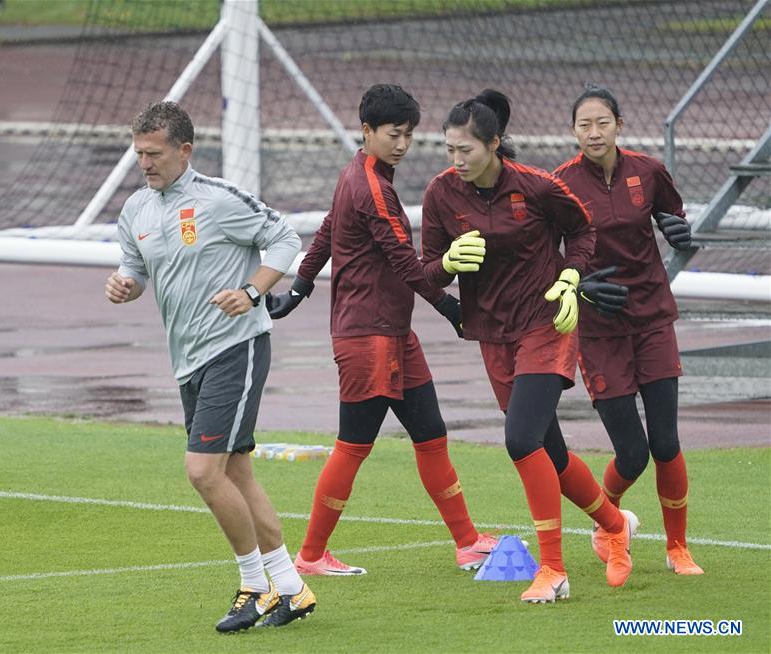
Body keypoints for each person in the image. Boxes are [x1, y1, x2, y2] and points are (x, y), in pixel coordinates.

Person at [268, 83, 497, 576]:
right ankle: (310, 555)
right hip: (369, 337)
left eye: (409, 135)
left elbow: (328, 231)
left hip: (393, 333)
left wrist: (299, 289)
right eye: (394, 134)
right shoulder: (371, 187)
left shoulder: (357, 174)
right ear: (367, 130)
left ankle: (467, 542)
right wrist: (451, 307)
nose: (402, 144)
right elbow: (405, 262)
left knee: (431, 434)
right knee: (353, 445)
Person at [420, 90, 639, 603]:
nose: (457, 160)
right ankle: (614, 524)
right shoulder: (440, 193)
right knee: (550, 452)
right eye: (450, 150)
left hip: (546, 323)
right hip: (493, 334)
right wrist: (446, 264)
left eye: (466, 150)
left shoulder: (537, 185)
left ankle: (554, 570)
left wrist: (571, 276)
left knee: (521, 439)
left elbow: (583, 232)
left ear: (494, 144)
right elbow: (425, 270)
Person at [105, 101, 316, 632]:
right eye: (138, 154)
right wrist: (126, 284)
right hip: (188, 360)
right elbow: (135, 267)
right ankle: (291, 588)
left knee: (202, 471)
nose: (144, 164)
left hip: (235, 348)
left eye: (154, 154)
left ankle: (255, 587)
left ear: (184, 151)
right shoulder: (136, 209)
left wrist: (252, 292)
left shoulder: (218, 200)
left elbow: (286, 239)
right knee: (235, 472)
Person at [554, 85, 702, 575]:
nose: (594, 132)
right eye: (584, 125)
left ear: (619, 124)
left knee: (666, 442)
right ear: (573, 131)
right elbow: (544, 254)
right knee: (633, 453)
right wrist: (581, 286)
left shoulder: (649, 171)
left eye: (602, 122)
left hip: (653, 317)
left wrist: (680, 232)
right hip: (599, 330)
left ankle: (678, 548)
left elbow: (673, 218)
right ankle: (608, 523)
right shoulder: (559, 184)